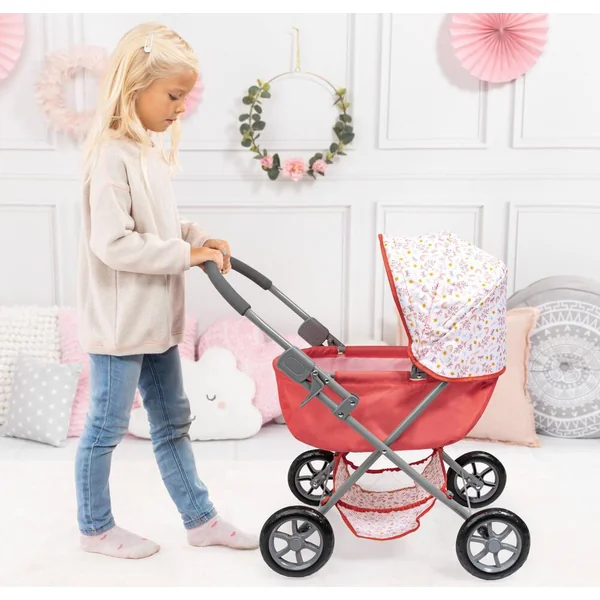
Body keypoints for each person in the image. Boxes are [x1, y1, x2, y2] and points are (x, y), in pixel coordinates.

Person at [74, 22, 258, 559]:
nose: (181, 108)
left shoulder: (146, 151)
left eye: (185, 97)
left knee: (174, 421)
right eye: (173, 96)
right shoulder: (110, 155)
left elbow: (158, 224)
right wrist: (184, 255)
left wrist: (196, 239)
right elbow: (113, 243)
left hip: (154, 321)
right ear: (135, 86)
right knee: (105, 427)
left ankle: (200, 520)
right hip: (120, 326)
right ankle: (95, 528)